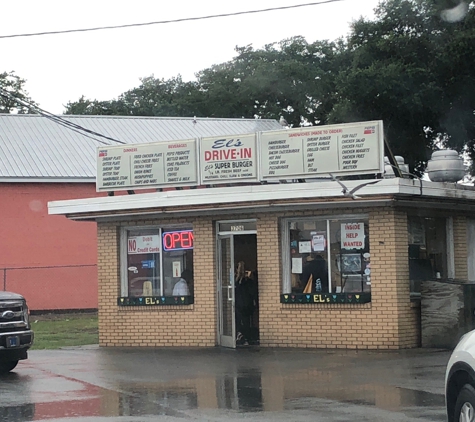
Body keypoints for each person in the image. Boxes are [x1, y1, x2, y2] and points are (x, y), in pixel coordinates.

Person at [234, 261, 257, 346]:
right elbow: (253, 292)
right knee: (246, 321)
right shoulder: (248, 281)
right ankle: (245, 337)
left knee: (238, 321)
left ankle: (240, 335)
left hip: (238, 304)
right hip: (247, 304)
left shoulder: (236, 282)